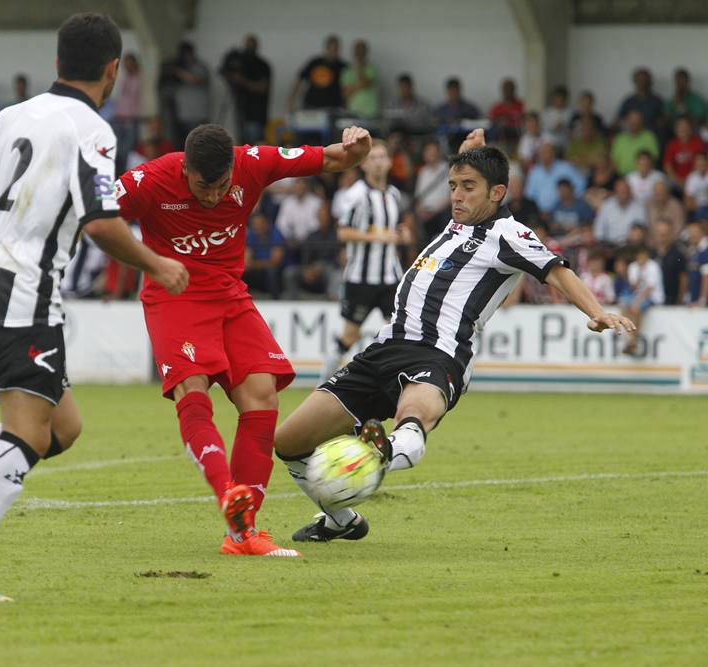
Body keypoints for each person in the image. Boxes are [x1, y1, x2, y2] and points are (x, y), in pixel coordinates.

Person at [0, 12, 188, 602]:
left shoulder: (14, 114)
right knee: (27, 435)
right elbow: (102, 224)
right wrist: (158, 264)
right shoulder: (93, 131)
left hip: (1, 288)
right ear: (114, 70)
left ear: (57, 64)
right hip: (23, 295)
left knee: (64, 426)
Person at [272, 130, 635, 542]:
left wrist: (598, 312)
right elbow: (473, 178)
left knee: (414, 421)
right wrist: (469, 154)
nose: (457, 196)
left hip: (437, 355)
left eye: (468, 188)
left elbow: (557, 271)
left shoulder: (509, 235)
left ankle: (378, 454)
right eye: (452, 187)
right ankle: (342, 520)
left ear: (498, 193)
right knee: (288, 442)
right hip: (383, 349)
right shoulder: (459, 222)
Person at [113, 120, 370, 556]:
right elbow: (93, 216)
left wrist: (358, 147)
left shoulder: (253, 163)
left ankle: (243, 532)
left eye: (221, 186)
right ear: (185, 171)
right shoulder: (150, 179)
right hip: (174, 295)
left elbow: (334, 158)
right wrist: (149, 262)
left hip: (230, 295)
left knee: (262, 395)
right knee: (192, 390)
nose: (213, 196)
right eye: (202, 186)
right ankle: (227, 495)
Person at [324, 139, 408, 381]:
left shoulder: (394, 194)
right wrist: (378, 237)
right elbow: (342, 232)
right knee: (348, 337)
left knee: (399, 331)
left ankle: (394, 381)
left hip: (390, 277)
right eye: (373, 159)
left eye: (382, 158)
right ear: (364, 165)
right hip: (360, 277)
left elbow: (396, 228)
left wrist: (403, 235)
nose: (378, 163)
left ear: (390, 163)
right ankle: (323, 384)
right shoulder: (356, 195)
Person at [220, 35, 271, 146]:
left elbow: (262, 87)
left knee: (256, 143)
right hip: (241, 109)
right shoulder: (242, 64)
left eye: (250, 45)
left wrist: (242, 80)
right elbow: (225, 73)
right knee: (242, 143)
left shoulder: (262, 65)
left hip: (256, 112)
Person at [620, 245, 663, 355]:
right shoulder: (633, 267)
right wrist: (639, 273)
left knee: (636, 308)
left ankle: (632, 340)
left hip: (653, 296)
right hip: (637, 295)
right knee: (623, 304)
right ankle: (631, 339)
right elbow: (634, 287)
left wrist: (637, 301)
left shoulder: (653, 266)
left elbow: (650, 288)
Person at [288, 35, 347, 112]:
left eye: (335, 49)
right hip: (311, 104)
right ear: (326, 48)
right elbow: (300, 79)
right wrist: (291, 100)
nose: (333, 52)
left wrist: (346, 105)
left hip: (333, 106)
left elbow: (346, 89)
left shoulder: (343, 66)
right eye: (331, 49)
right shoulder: (315, 62)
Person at [243, 210, 286, 299]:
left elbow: (275, 261)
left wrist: (255, 264)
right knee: (242, 271)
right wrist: (253, 264)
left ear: (266, 223)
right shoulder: (251, 235)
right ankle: (244, 299)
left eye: (260, 224)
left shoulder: (276, 233)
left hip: (276, 270)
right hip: (258, 270)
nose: (257, 227)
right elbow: (247, 260)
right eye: (254, 224)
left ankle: (275, 300)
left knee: (271, 271)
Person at [340, 39, 378, 119]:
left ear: (366, 52)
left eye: (362, 51)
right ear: (354, 52)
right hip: (353, 112)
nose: (360, 53)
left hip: (370, 112)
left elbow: (365, 83)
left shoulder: (371, 69)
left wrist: (359, 68)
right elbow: (345, 94)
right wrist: (359, 86)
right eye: (358, 51)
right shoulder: (347, 71)